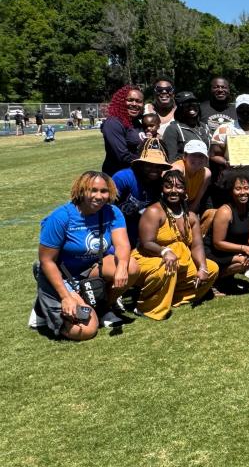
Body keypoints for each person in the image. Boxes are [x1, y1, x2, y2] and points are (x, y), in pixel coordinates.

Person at [32, 171, 138, 339]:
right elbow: (46, 261)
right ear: (81, 190)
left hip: (91, 270)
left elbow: (122, 244)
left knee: (131, 266)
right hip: (63, 275)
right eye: (92, 190)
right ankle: (45, 306)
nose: (99, 196)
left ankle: (103, 308)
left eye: (104, 191)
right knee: (85, 331)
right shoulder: (61, 217)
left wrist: (122, 267)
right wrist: (66, 297)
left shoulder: (112, 212)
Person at [131, 170, 219, 320]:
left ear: (185, 190)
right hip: (150, 257)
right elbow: (146, 243)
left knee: (212, 269)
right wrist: (164, 251)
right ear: (162, 189)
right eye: (168, 186)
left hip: (179, 260)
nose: (173, 190)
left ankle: (174, 297)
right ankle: (147, 307)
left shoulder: (190, 217)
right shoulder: (154, 211)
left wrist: (202, 268)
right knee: (167, 268)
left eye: (179, 187)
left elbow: (197, 245)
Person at [204, 169, 249, 290]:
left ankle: (227, 279)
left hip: (234, 250)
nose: (243, 192)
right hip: (215, 252)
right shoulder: (225, 211)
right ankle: (216, 280)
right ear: (231, 191)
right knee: (242, 261)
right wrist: (245, 248)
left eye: (246, 188)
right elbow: (218, 243)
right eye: (238, 189)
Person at [209, 94, 249, 211]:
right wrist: (225, 162)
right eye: (241, 109)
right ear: (236, 110)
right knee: (229, 214)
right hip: (230, 182)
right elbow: (213, 155)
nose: (245, 112)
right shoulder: (224, 128)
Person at [112, 142, 171, 246]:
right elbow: (106, 209)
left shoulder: (158, 184)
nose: (154, 169)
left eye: (159, 166)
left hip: (135, 231)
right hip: (114, 229)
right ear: (140, 164)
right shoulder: (123, 178)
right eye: (149, 164)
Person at [100, 85, 145, 175]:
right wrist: (149, 164)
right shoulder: (113, 123)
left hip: (137, 174)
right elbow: (123, 156)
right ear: (121, 102)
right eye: (130, 100)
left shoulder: (137, 123)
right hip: (119, 177)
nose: (134, 104)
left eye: (138, 101)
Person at [161, 91, 211, 162]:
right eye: (186, 104)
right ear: (179, 108)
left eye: (194, 103)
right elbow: (170, 159)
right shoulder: (173, 129)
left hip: (206, 171)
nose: (191, 106)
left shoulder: (205, 127)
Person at [170, 140, 212, 215]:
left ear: (206, 159)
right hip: (172, 206)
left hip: (187, 206)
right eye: (193, 155)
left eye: (201, 156)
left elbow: (197, 200)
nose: (197, 159)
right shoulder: (178, 169)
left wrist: (190, 213)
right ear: (185, 156)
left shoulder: (206, 174)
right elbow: (172, 196)